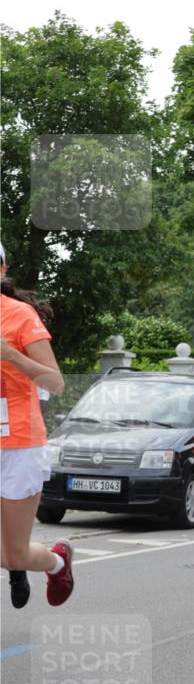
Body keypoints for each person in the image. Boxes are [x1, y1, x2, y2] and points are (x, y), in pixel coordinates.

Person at [0, 244, 73, 608]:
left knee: (12, 555)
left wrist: (11, 355)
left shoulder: (20, 316)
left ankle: (57, 562)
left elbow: (55, 382)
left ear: (2, 271)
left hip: (18, 444)